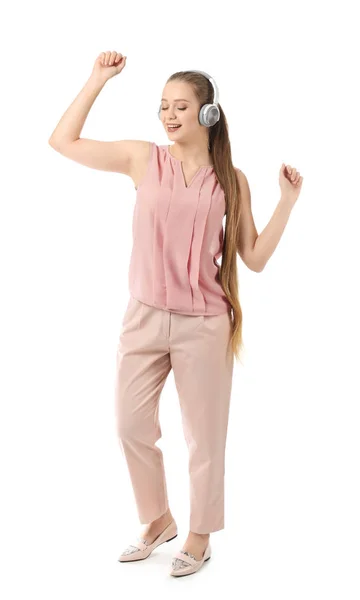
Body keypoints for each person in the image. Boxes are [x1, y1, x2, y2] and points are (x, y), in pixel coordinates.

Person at [48, 50, 304, 577]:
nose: (168, 115)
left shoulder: (231, 179)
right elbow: (63, 142)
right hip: (142, 318)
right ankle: (158, 518)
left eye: (181, 107)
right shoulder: (144, 159)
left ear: (208, 115)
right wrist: (97, 78)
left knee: (204, 438)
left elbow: (252, 259)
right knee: (129, 425)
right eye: (163, 105)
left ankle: (199, 535)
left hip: (204, 324)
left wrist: (287, 201)